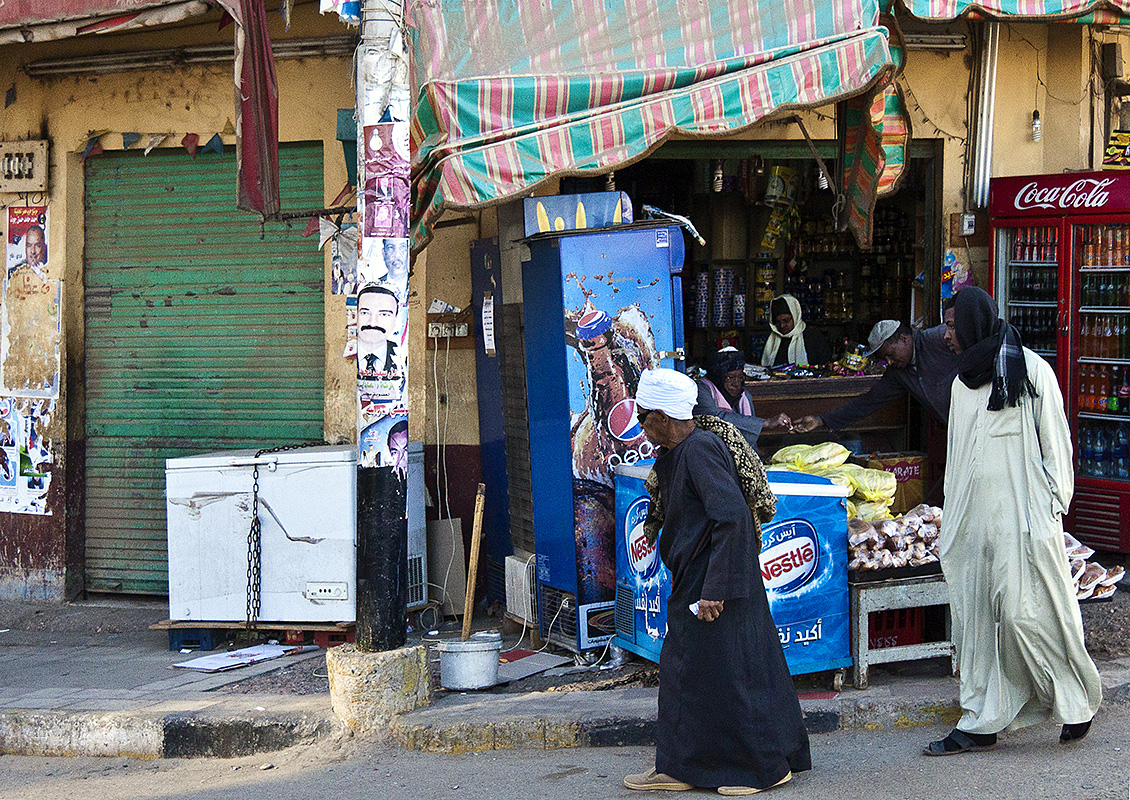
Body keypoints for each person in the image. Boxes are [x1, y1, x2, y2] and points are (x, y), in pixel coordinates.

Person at [923, 287, 1101, 756]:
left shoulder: (1031, 370)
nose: (946, 335)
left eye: (952, 325)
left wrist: (1052, 506)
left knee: (1028, 615)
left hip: (1024, 519)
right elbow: (959, 455)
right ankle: (980, 720)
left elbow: (1057, 447)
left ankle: (1076, 701)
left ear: (974, 324)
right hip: (974, 519)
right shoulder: (963, 382)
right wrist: (952, 517)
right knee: (976, 619)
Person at [624, 368, 810, 795]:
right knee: (687, 674)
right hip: (698, 575)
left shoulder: (701, 450)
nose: (639, 423)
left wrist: (715, 590)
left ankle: (765, 769)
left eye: (644, 415)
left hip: (718, 579)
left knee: (734, 674)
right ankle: (680, 766)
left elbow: (732, 518)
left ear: (664, 418)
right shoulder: (680, 450)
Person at [793, 316, 960, 433]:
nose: (889, 362)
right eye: (884, 358)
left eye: (890, 354)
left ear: (903, 338)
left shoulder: (938, 338)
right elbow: (868, 402)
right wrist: (821, 420)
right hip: (954, 427)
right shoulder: (898, 373)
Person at [695, 347, 791, 448]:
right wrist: (765, 423)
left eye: (740, 377)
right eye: (730, 377)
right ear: (718, 377)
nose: (736, 383)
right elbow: (714, 418)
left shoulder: (744, 396)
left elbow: (751, 441)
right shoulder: (702, 389)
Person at [760, 295, 832, 367]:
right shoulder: (771, 342)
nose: (782, 326)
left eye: (786, 320)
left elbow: (824, 366)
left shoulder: (814, 337)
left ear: (795, 316)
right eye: (778, 322)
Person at [356, 285, 401, 376]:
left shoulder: (402, 357)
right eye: (365, 313)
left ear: (395, 320)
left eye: (384, 314)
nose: (372, 323)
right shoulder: (339, 354)